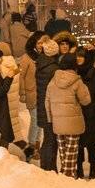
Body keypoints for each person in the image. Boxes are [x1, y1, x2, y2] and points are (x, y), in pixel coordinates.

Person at [45, 52, 91, 177]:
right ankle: (67, 176)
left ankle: (65, 174)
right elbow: (86, 101)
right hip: (73, 123)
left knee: (63, 152)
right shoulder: (77, 81)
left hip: (58, 122)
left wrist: (50, 118)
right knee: (71, 153)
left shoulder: (53, 80)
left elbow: (47, 101)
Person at [75, 45, 95, 179]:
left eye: (81, 56)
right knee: (79, 144)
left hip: (91, 114)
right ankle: (79, 168)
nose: (79, 59)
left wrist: (94, 109)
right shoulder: (75, 72)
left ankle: (93, 168)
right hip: (78, 114)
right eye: (77, 56)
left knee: (91, 144)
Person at [34, 36, 61, 170]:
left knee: (48, 138)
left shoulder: (41, 63)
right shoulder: (53, 68)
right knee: (51, 140)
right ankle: (49, 167)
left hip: (42, 107)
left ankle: (47, 166)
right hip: (50, 109)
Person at [19, 30, 45, 158]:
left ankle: (37, 147)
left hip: (43, 94)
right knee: (35, 120)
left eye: (43, 43)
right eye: (39, 42)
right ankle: (31, 147)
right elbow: (21, 76)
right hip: (31, 93)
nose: (40, 45)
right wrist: (22, 92)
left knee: (40, 121)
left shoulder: (45, 57)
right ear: (34, 43)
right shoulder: (27, 57)